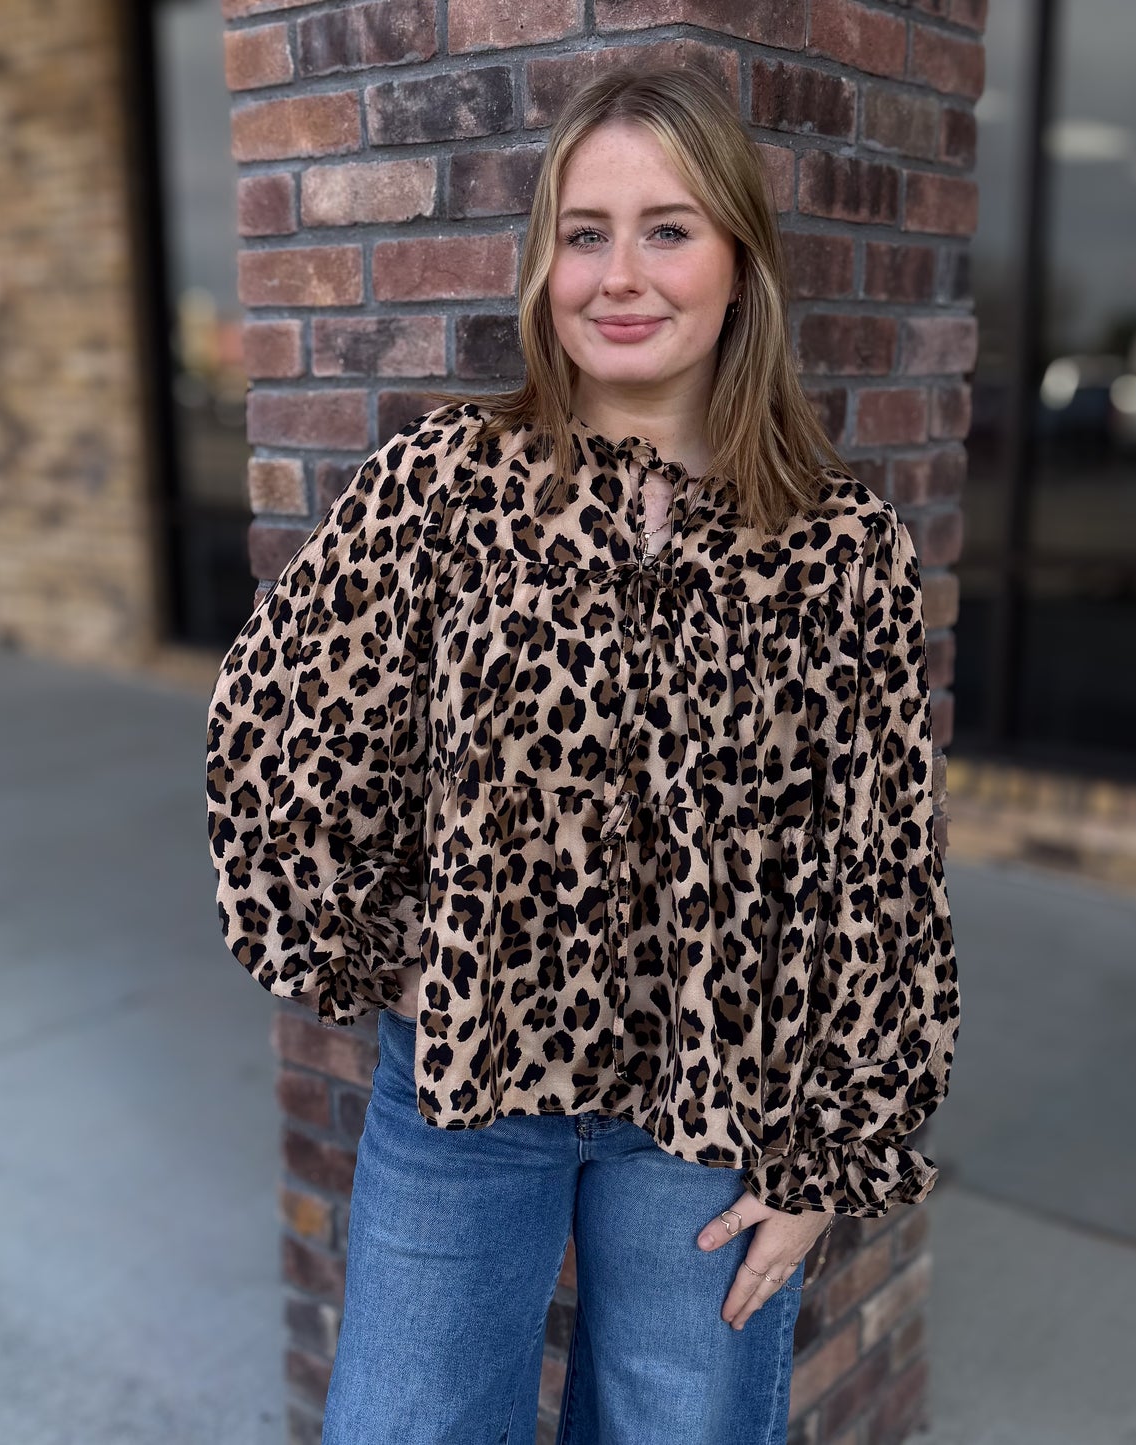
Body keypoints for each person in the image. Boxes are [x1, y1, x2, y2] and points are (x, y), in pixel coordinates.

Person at [205, 64, 960, 1445]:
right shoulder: (445, 483)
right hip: (466, 1098)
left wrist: (826, 1157)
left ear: (740, 264)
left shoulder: (839, 546)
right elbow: (274, 741)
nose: (619, 274)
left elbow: (877, 872)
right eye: (584, 230)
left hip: (717, 1109)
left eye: (667, 229)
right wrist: (388, 956)